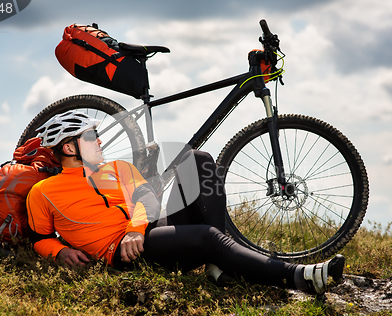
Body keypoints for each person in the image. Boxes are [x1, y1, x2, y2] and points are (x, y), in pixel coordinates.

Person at [26, 111, 345, 294]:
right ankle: (300, 277)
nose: (99, 141)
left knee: (198, 159)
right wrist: (60, 250)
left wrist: (136, 229)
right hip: (124, 253)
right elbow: (39, 237)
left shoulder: (116, 169)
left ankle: (219, 263)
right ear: (69, 148)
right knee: (206, 237)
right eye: (90, 137)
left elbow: (146, 196)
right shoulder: (43, 192)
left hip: (145, 232)